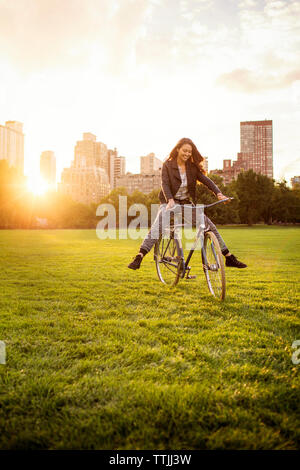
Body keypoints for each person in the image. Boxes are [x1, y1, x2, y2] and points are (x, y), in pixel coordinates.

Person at [128, 137, 247, 270]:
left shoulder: (192, 167)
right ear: (178, 149)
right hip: (169, 202)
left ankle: (229, 257)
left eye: (189, 152)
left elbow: (206, 181)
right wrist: (170, 200)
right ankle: (139, 256)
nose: (187, 154)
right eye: (184, 150)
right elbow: (165, 183)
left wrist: (218, 193)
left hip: (185, 203)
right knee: (159, 225)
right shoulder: (168, 165)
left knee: (209, 226)